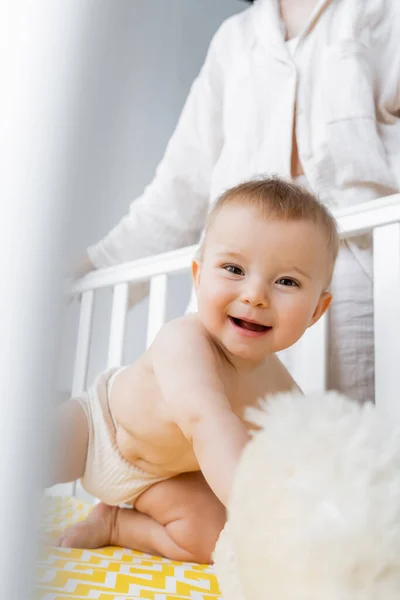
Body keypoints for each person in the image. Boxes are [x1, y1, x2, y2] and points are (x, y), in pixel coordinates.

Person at [75, 0, 400, 406]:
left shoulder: (383, 12)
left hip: (359, 267)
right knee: (230, 426)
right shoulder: (235, 38)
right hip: (239, 273)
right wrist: (90, 265)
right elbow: (179, 188)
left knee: (349, 436)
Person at [55, 177, 338, 563]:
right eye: (234, 269)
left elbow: (305, 458)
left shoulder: (282, 393)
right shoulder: (184, 341)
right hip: (98, 432)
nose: (255, 295)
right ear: (199, 276)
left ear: (316, 311)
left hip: (164, 481)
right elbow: (208, 424)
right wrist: (264, 514)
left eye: (286, 281)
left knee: (213, 540)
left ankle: (116, 525)